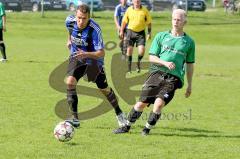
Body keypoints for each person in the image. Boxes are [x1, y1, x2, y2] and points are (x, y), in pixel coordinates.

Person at [113, 9, 195, 136]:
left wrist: (189, 85)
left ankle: (146, 130)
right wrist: (165, 63)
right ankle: (126, 126)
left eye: (179, 19)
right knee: (141, 103)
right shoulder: (161, 36)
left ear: (185, 22)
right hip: (156, 73)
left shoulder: (189, 42)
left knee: (158, 104)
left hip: (173, 78)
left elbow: (190, 64)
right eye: (174, 19)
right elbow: (152, 57)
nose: (175, 22)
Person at [65, 4, 127, 128]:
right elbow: (70, 31)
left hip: (94, 61)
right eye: (79, 18)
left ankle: (119, 112)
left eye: (84, 18)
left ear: (89, 17)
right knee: (70, 82)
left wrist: (86, 54)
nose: (81, 21)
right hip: (77, 58)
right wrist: (69, 40)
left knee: (104, 89)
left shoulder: (95, 29)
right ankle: (75, 119)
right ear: (75, 15)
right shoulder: (69, 21)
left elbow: (101, 52)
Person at [120, 0, 152, 73]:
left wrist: (149, 33)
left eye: (138, 0)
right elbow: (124, 21)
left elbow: (149, 22)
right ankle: (129, 69)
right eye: (135, 0)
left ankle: (138, 63)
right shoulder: (129, 10)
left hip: (141, 33)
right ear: (133, 1)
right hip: (130, 32)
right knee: (129, 50)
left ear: (140, 1)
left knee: (141, 51)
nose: (137, 1)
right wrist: (121, 30)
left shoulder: (145, 10)